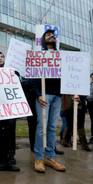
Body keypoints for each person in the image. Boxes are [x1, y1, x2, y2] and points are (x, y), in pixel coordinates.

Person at [30, 29, 67, 173]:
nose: (51, 35)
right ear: (43, 40)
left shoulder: (61, 56)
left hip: (57, 96)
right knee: (41, 128)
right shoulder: (39, 56)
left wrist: (73, 94)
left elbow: (68, 77)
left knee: (52, 128)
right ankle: (39, 158)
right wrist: (38, 94)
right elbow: (33, 78)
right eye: (48, 34)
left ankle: (50, 157)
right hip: (44, 96)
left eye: (53, 34)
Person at [0, 51, 17, 164]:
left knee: (11, 130)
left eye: (1, 56)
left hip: (10, 106)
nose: (0, 58)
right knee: (0, 133)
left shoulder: (11, 71)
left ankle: (11, 154)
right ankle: (0, 153)